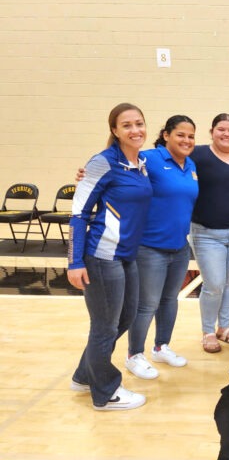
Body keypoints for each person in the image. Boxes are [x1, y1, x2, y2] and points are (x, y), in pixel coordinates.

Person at [68, 103, 153, 410]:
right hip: (102, 256)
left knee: (125, 318)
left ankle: (83, 375)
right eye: (127, 125)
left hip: (127, 255)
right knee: (104, 325)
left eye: (139, 123)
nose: (135, 130)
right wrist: (75, 261)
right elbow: (78, 213)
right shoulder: (102, 162)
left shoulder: (141, 163)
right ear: (115, 131)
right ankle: (106, 392)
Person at [124, 115, 198, 380]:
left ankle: (161, 346)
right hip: (150, 247)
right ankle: (134, 355)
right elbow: (119, 167)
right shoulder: (150, 158)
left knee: (169, 300)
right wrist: (88, 174)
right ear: (166, 135)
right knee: (147, 304)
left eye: (191, 136)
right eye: (180, 134)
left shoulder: (190, 165)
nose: (187, 140)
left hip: (179, 247)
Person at [189, 113, 229, 353]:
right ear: (212, 131)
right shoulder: (198, 155)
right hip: (206, 233)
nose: (226, 134)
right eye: (221, 129)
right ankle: (207, 330)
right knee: (213, 283)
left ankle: (224, 327)